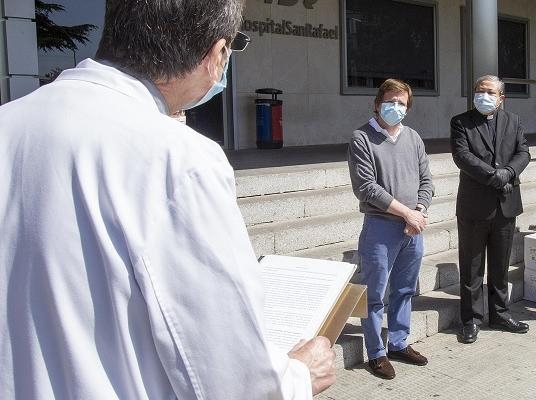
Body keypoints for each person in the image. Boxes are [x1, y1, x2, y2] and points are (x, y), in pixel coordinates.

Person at [0, 1, 335, 398]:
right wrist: (298, 376)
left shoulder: (10, 122)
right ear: (216, 54)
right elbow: (230, 378)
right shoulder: (178, 159)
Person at [347, 78, 434, 380]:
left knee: (405, 289)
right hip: (381, 228)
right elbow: (367, 188)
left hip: (413, 228)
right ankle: (376, 353)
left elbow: (427, 181)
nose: (395, 107)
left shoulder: (413, 137)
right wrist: (407, 213)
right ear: (377, 103)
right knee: (375, 294)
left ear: (408, 107)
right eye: (390, 101)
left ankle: (398, 342)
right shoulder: (362, 138)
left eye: (401, 102)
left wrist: (420, 211)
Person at [450, 75, 530, 344]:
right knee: (472, 266)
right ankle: (471, 319)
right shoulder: (461, 122)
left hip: (506, 206)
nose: (483, 95)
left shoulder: (514, 121)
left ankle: (500, 313)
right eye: (479, 91)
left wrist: (507, 172)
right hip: (474, 205)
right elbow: (462, 156)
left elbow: (523, 153)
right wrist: (493, 176)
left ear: (501, 97)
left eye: (489, 92)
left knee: (500, 265)